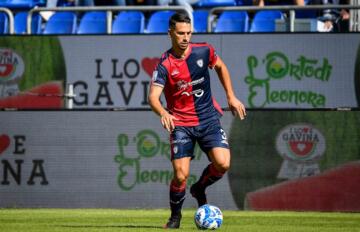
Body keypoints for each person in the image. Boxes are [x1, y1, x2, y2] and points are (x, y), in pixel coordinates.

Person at [148, 12, 246, 229]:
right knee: (180, 175)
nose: (185, 37)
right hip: (181, 124)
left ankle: (199, 188)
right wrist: (163, 112)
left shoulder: (204, 50)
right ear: (170, 33)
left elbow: (221, 67)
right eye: (181, 33)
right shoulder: (164, 65)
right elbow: (153, 97)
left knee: (223, 163)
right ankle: (175, 218)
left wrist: (230, 96)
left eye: (189, 33)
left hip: (208, 119)